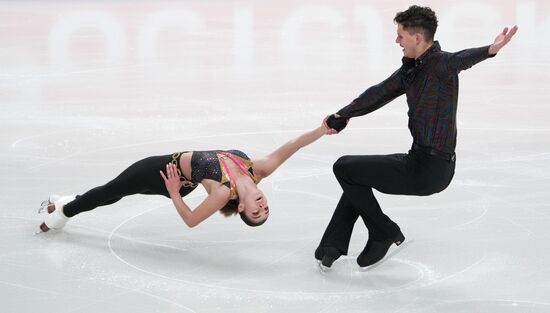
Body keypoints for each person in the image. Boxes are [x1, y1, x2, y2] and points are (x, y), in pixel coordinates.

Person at [315, 5, 518, 269]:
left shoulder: (441, 65)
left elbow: (461, 59)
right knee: (356, 175)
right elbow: (379, 92)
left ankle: (383, 231)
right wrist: (343, 115)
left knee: (344, 167)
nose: (396, 41)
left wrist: (490, 50)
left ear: (417, 38)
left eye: (400, 35)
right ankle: (332, 247)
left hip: (430, 170)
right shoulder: (412, 71)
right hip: (419, 161)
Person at [37, 121, 331, 233]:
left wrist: (174, 191)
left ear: (241, 207)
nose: (261, 206)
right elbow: (293, 146)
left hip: (161, 173)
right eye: (265, 209)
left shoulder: (222, 194)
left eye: (256, 212)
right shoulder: (258, 170)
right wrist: (322, 129)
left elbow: (191, 221)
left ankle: (63, 211)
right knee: (113, 193)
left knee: (110, 190)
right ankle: (70, 202)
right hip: (175, 175)